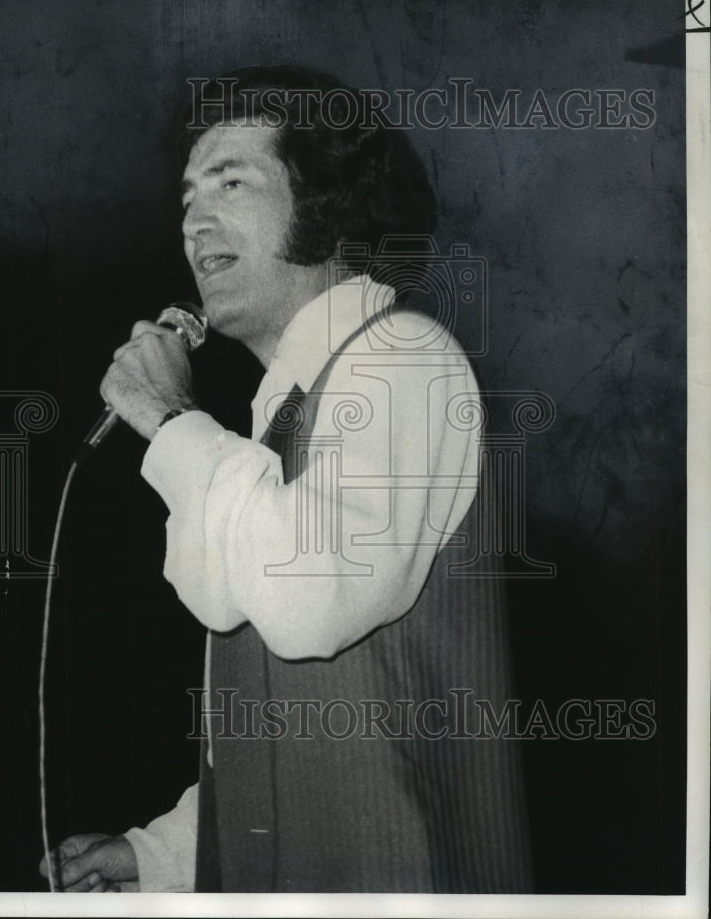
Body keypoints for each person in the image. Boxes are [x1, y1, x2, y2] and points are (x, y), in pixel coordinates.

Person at [40, 66, 533, 893]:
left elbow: (309, 604)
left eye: (231, 182)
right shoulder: (282, 410)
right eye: (187, 197)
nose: (195, 219)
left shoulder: (399, 357)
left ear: (327, 204)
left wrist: (168, 419)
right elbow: (276, 708)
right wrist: (161, 854)